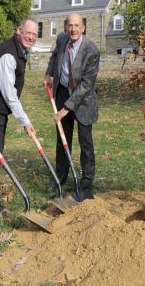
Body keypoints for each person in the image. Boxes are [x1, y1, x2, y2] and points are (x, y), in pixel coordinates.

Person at [0, 19, 38, 214]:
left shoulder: (19, 49)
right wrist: (25, 121)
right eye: (27, 32)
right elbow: (9, 94)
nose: (31, 37)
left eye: (34, 34)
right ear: (18, 31)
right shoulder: (8, 54)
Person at [43, 13, 100, 201]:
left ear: (83, 27)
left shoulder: (91, 50)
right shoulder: (61, 39)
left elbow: (86, 85)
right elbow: (54, 57)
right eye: (70, 25)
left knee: (86, 143)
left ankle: (86, 184)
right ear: (66, 26)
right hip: (62, 92)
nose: (73, 29)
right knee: (62, 138)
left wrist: (66, 108)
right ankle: (60, 176)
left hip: (83, 100)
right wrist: (48, 73)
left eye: (77, 26)